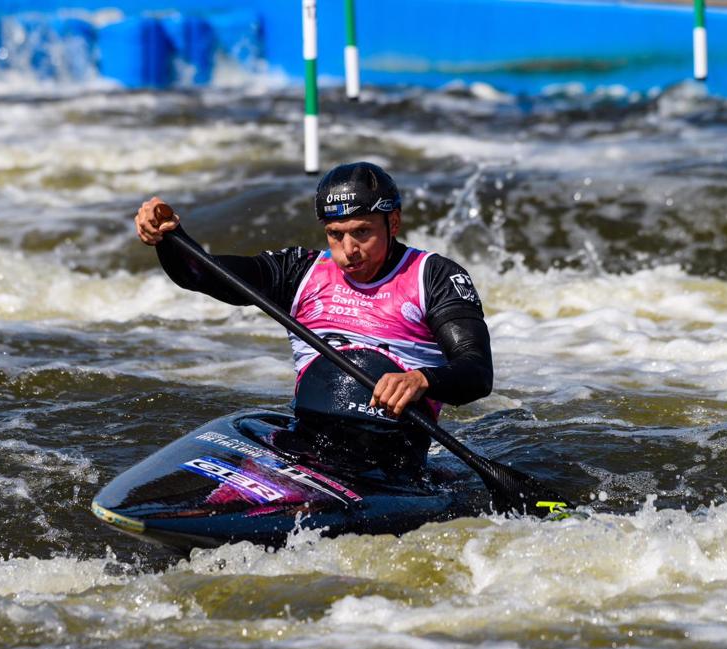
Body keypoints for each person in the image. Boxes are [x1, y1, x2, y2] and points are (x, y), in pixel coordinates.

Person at [134, 162, 492, 471]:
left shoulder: (433, 276)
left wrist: (421, 379)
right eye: (335, 235)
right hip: (308, 444)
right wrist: (169, 237)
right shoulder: (299, 271)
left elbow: (476, 371)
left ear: (393, 222)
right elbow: (202, 274)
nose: (348, 250)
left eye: (362, 232)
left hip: (391, 458)